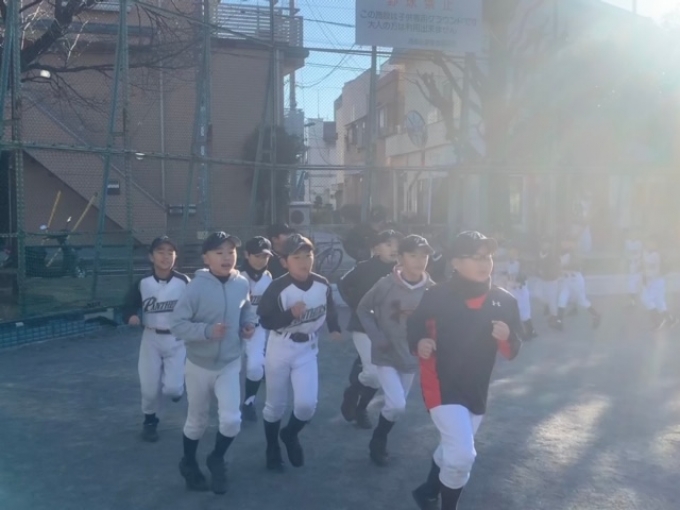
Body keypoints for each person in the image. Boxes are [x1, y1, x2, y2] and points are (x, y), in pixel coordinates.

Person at [407, 231, 522, 510]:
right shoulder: (436, 295)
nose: (484, 263)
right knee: (462, 455)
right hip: (441, 383)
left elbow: (512, 351)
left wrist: (507, 336)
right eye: (475, 257)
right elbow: (415, 326)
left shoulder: (505, 301)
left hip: (476, 387)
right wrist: (420, 342)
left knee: (453, 446)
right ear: (456, 262)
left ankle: (427, 491)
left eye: (488, 257)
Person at [170, 232, 257, 494]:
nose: (226, 257)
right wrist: (207, 331)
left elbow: (246, 308)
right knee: (196, 421)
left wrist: (248, 324)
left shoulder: (241, 283)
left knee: (231, 421)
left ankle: (216, 458)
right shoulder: (195, 287)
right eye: (219, 252)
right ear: (206, 258)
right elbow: (178, 325)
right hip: (198, 365)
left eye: (231, 251)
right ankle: (188, 463)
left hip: (229, 363)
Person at [257, 234, 342, 472]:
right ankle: (272, 447)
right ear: (284, 261)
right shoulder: (278, 287)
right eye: (297, 257)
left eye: (308, 255)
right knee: (275, 405)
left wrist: (334, 327)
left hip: (308, 347)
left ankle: (290, 434)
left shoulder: (322, 283)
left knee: (306, 406)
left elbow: (330, 307)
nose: (304, 261)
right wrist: (289, 315)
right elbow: (265, 320)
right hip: (280, 347)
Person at [356, 235, 435, 466]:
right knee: (398, 404)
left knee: (395, 408)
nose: (419, 260)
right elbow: (363, 309)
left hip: (410, 356)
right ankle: (379, 440)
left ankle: (378, 437)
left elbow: (438, 322)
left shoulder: (432, 290)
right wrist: (377, 336)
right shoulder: (386, 284)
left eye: (424, 255)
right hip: (386, 354)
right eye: (413, 255)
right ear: (400, 258)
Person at [121, 236, 190, 443]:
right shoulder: (143, 283)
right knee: (149, 389)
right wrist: (130, 316)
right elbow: (128, 305)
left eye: (170, 252)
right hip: (150, 338)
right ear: (151, 257)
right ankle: (150, 422)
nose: (166, 256)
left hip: (177, 339)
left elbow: (196, 306)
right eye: (160, 252)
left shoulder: (184, 282)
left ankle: (175, 388)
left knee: (173, 389)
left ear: (176, 256)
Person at [338, 229, 403, 429]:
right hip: (364, 326)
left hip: (390, 330)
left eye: (396, 244)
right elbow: (343, 283)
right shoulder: (364, 267)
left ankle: (361, 408)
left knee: (378, 375)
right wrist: (355, 305)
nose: (393, 248)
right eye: (388, 244)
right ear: (376, 248)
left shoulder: (403, 269)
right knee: (373, 373)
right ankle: (352, 392)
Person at [239, 236, 274, 422]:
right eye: (258, 255)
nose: (262, 260)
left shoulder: (269, 278)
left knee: (255, 367)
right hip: (234, 330)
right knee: (228, 369)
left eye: (265, 256)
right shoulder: (236, 277)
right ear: (247, 255)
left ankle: (248, 402)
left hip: (257, 330)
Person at [557, 236, 601, 329]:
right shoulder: (560, 252)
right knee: (562, 299)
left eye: (567, 242)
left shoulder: (574, 253)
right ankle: (559, 322)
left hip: (575, 280)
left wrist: (562, 267)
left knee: (582, 301)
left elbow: (577, 266)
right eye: (563, 242)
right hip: (566, 280)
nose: (564, 244)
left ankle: (596, 315)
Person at [641, 236, 678, 330]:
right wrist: (644, 278)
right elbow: (644, 267)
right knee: (658, 302)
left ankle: (658, 320)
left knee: (647, 299)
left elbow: (666, 266)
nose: (649, 244)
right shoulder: (645, 253)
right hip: (650, 280)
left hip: (657, 280)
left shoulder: (658, 254)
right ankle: (670, 320)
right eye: (648, 242)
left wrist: (663, 270)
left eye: (652, 242)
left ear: (656, 244)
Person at [506, 245, 537, 339]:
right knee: (512, 311)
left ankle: (530, 332)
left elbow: (523, 277)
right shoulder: (508, 262)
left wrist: (516, 281)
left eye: (514, 251)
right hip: (511, 289)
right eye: (510, 251)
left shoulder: (521, 263)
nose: (512, 253)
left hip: (521, 290)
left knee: (524, 312)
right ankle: (519, 333)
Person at [537, 236, 562, 330]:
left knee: (552, 299)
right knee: (538, 293)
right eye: (543, 243)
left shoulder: (554, 254)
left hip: (551, 280)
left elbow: (557, 266)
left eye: (547, 243)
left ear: (550, 245)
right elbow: (537, 263)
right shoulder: (539, 253)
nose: (544, 245)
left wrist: (553, 274)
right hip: (541, 278)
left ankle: (555, 318)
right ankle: (548, 306)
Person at [624, 227, 643, 308]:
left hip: (638, 266)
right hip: (631, 266)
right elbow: (625, 254)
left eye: (634, 233)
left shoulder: (639, 243)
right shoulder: (627, 243)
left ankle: (644, 301)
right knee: (631, 286)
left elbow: (641, 254)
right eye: (631, 233)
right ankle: (632, 302)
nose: (633, 235)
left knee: (641, 285)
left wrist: (640, 264)